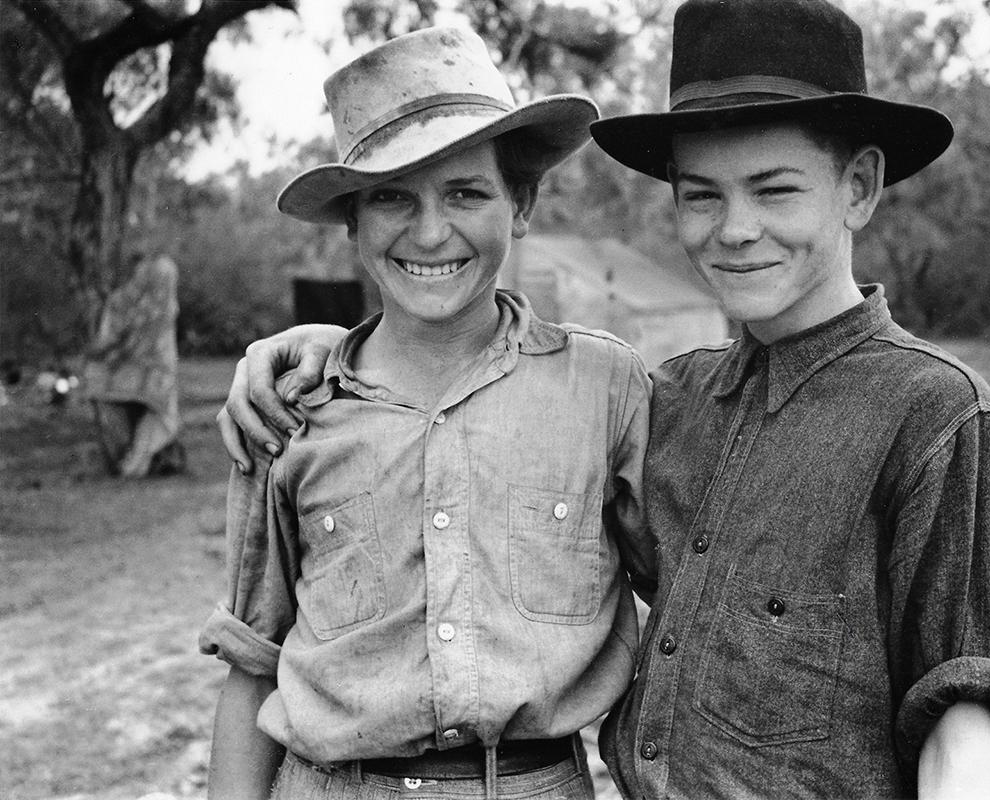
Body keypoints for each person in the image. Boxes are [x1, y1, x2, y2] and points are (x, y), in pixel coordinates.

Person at [217, 2, 990, 797]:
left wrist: (969, 623)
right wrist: (312, 346)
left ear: (859, 187)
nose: (736, 228)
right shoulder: (672, 402)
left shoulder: (927, 414)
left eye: (776, 189)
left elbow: (957, 706)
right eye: (702, 195)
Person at [198, 26, 656, 799]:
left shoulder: (606, 387)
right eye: (392, 197)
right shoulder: (291, 407)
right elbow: (253, 665)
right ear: (352, 219)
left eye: (466, 192)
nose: (431, 231)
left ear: (521, 203)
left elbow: (689, 603)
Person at [85, 252, 183, 477]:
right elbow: (111, 339)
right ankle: (127, 460)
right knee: (103, 391)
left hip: (154, 373)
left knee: (154, 406)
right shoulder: (123, 300)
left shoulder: (163, 301)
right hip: (127, 369)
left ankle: (138, 462)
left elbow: (152, 338)